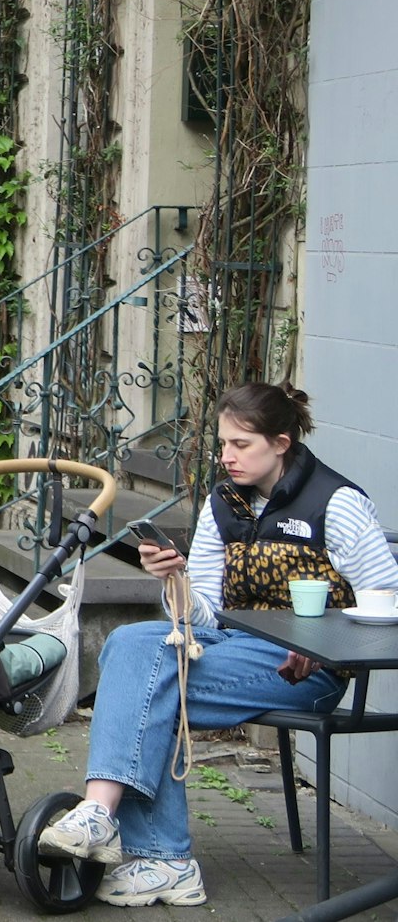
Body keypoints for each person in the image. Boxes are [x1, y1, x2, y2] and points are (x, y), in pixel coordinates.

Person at [36, 382, 398, 908]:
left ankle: (153, 851)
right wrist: (173, 579)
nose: (227, 457)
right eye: (223, 444)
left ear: (280, 442)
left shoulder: (336, 504)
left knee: (151, 681)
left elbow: (388, 602)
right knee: (132, 643)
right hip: (228, 648)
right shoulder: (222, 505)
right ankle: (123, 831)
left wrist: (321, 644)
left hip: (306, 672)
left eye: (241, 445)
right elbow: (201, 614)